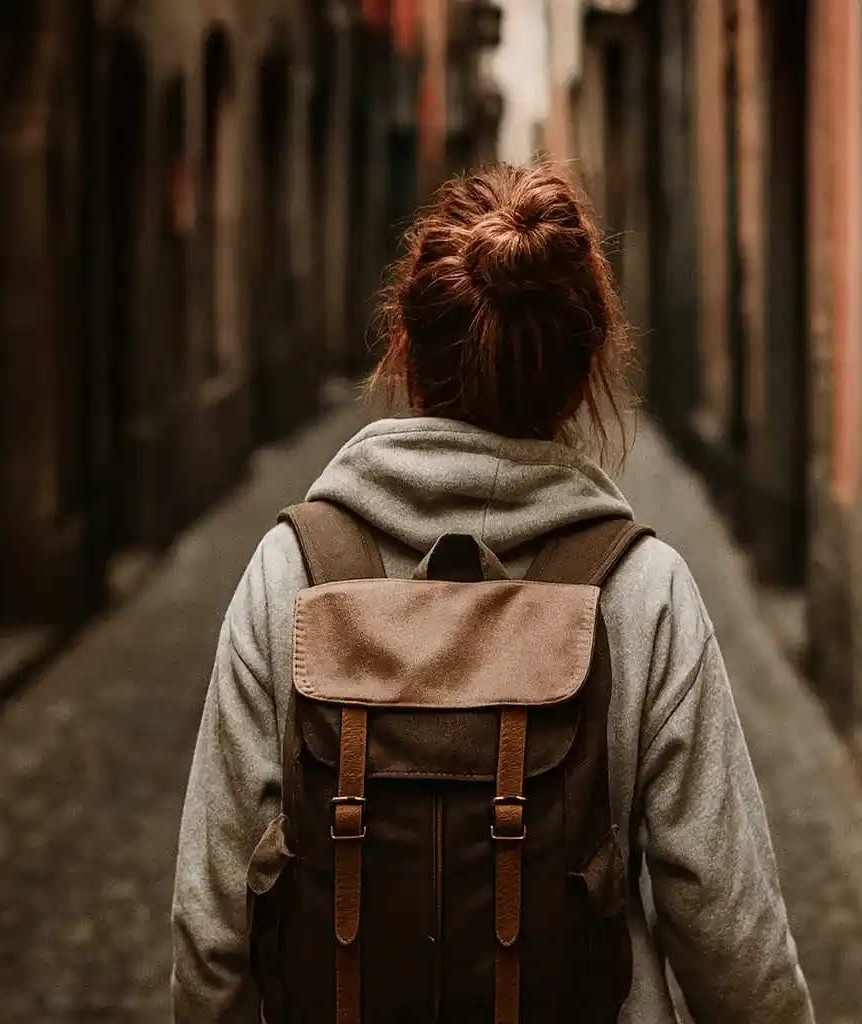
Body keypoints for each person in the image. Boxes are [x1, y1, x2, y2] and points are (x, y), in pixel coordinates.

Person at [170, 161, 815, 1024]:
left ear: (405, 343)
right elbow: (732, 933)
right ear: (590, 367)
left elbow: (214, 932)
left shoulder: (289, 574)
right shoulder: (642, 593)